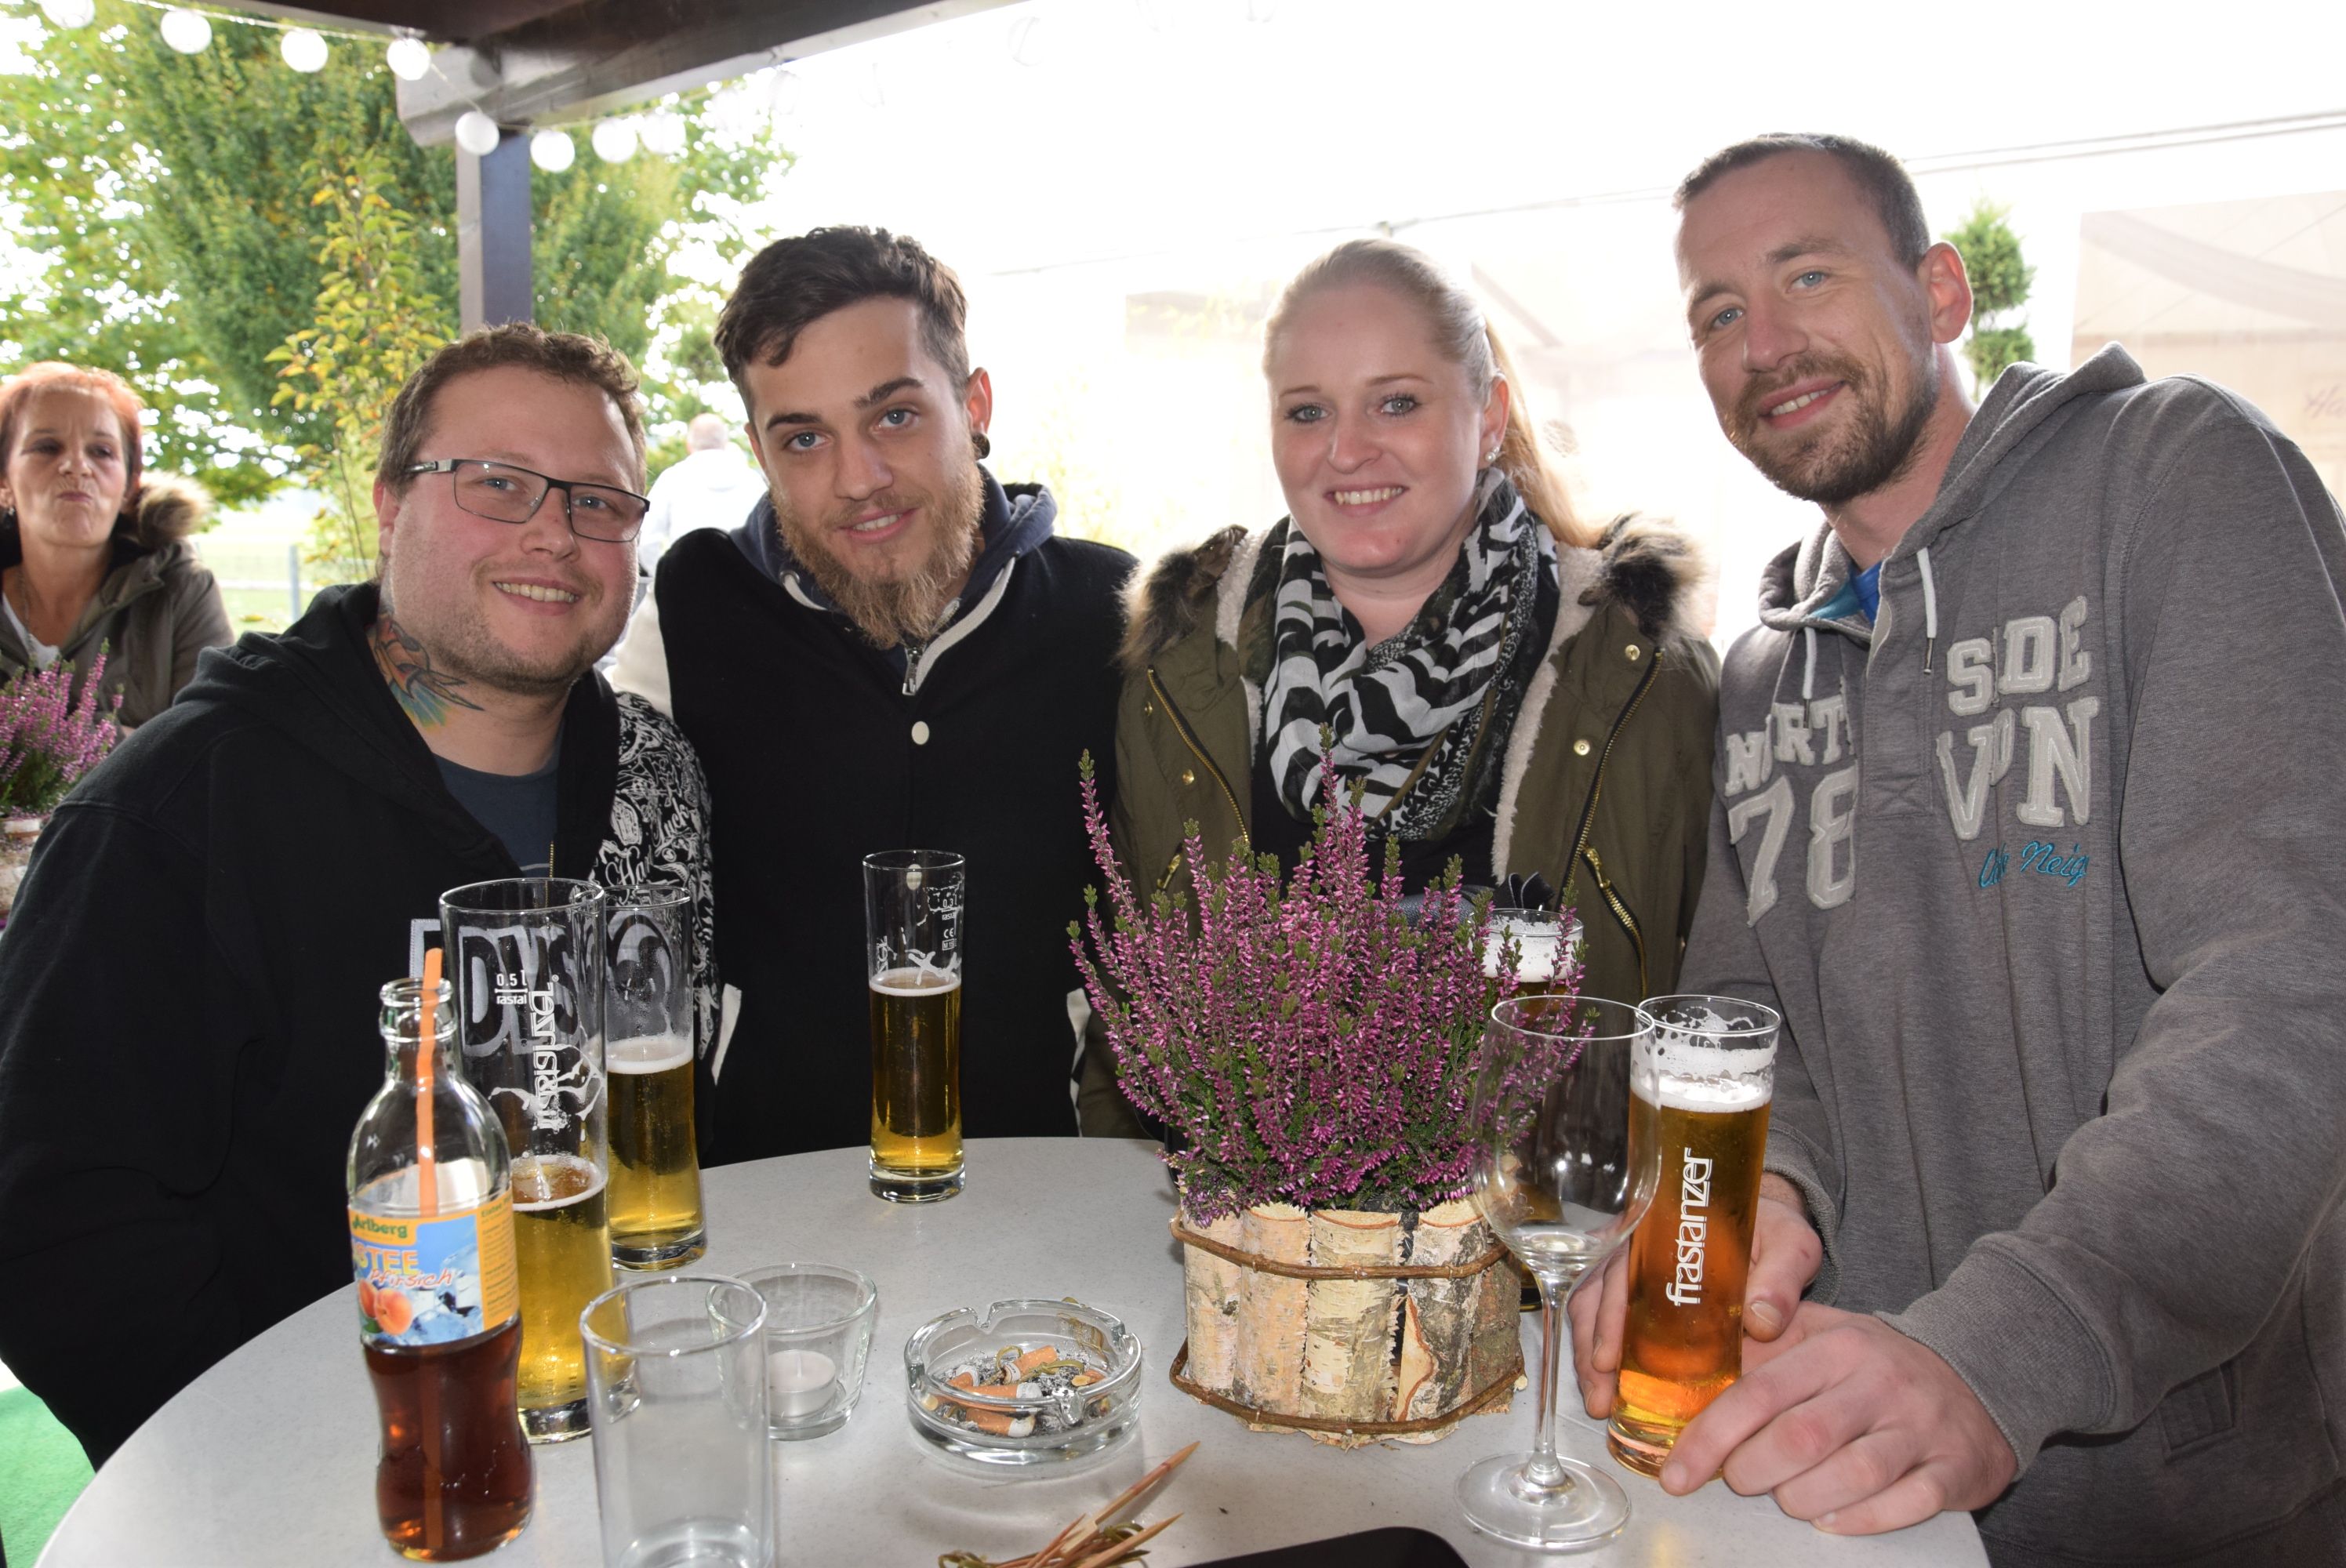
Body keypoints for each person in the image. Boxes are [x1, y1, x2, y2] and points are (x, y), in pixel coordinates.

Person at [1568, 132, 2346, 1566]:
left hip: (2184, 1507)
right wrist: (1741, 1216)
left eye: (1806, 275)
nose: (1764, 343)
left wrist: (2007, 1344)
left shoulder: (2174, 477)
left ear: (1939, 291)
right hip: (1844, 1475)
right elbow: (1751, 1030)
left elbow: (2291, 982)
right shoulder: (1763, 673)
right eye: (1718, 313)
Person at [0, 324, 714, 1466]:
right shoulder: (177, 815)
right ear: (389, 507)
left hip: (632, 1423)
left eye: (598, 500)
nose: (553, 530)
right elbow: (60, 1229)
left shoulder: (658, 778)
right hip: (340, 1475)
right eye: (496, 481)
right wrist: (298, 1465)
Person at [1084, 240, 1718, 1133]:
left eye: (1396, 402)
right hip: (1239, 1216)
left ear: (1489, 416)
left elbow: (1711, 1001)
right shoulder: (1180, 674)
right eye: (1308, 411)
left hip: (1548, 1216)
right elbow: (1127, 1024)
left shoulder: (1643, 674)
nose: (1347, 450)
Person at [609, 226, 1132, 1163]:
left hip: (1050, 1188)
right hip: (762, 1199)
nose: (859, 479)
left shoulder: (1108, 613)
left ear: (973, 404)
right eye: (804, 437)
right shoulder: (692, 611)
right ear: (760, 452)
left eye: (894, 415)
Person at [0, 361, 231, 724]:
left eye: (102, 452)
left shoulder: (181, 589)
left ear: (129, 486)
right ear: (4, 480)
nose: (77, 466)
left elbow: (215, 739)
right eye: (47, 447)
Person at [638, 412, 763, 567]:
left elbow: (648, 541)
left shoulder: (672, 479)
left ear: (689, 445)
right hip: (745, 578)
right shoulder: (753, 481)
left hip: (686, 576)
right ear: (725, 442)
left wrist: (665, 576)